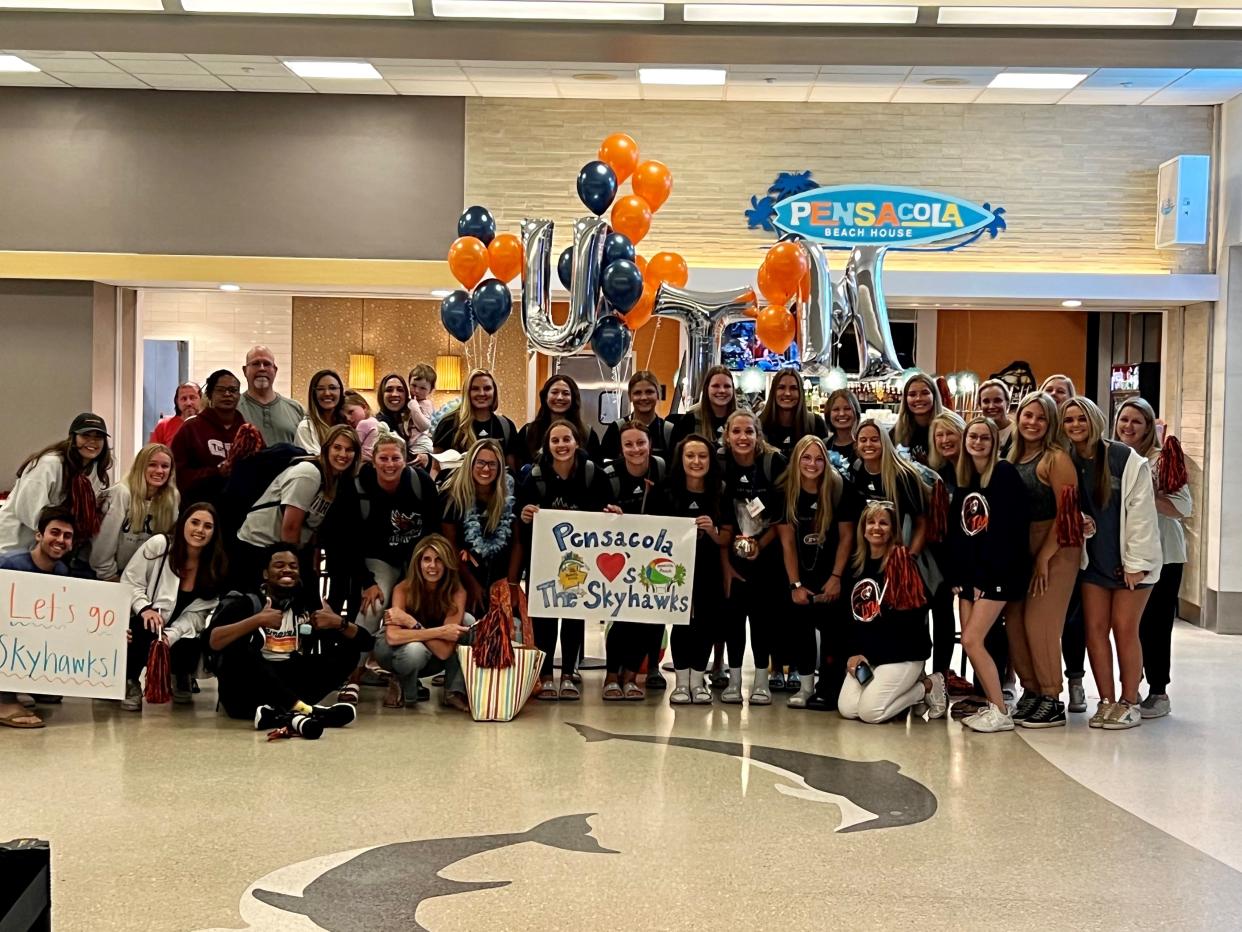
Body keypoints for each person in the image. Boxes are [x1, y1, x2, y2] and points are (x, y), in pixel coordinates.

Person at [1063, 396, 1161, 731]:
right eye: (1069, 420)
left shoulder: (1124, 458)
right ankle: (1105, 701)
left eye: (1081, 419)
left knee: (1124, 629)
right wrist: (1080, 520)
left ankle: (1129, 700)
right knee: (1094, 631)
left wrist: (1137, 562)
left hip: (1132, 564)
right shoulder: (1067, 460)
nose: (1076, 426)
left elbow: (1143, 516)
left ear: (1095, 420)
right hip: (1095, 563)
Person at [205, 545, 371, 738]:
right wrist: (257, 620)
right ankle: (308, 711)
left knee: (348, 650)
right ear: (265, 574)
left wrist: (339, 623)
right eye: (279, 565)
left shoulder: (305, 606)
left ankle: (279, 715)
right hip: (247, 688)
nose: (287, 570)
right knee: (242, 652)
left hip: (287, 679)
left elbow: (366, 643)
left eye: (293, 566)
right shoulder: (247, 603)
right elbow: (213, 641)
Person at [514, 419, 616, 701]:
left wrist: (613, 513)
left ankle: (569, 672)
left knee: (573, 614)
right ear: (547, 445)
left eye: (566, 439)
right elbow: (519, 518)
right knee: (544, 616)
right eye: (555, 440)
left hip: (579, 560)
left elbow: (606, 512)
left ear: (576, 442)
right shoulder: (533, 475)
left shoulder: (592, 473)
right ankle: (546, 673)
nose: (561, 445)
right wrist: (524, 515)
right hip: (542, 558)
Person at [336, 435, 441, 702]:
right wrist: (366, 582)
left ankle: (408, 676)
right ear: (373, 460)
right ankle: (353, 674)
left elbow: (433, 531)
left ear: (406, 460)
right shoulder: (357, 487)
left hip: (415, 558)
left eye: (396, 458)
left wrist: (427, 569)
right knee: (374, 603)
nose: (390, 464)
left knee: (416, 607)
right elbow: (347, 542)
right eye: (384, 458)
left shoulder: (421, 483)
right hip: (376, 558)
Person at [1004, 392, 1082, 729]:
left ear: (1049, 424)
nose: (1032, 422)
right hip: (1021, 547)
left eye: (1040, 417)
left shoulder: (1056, 459)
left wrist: (1045, 557)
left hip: (1056, 547)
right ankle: (1032, 690)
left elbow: (1068, 513)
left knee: (1041, 624)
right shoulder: (1012, 455)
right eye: (1027, 415)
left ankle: (1052, 696)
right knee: (1016, 622)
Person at [950, 416, 1031, 734]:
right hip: (970, 577)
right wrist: (960, 576)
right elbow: (960, 532)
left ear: (994, 442)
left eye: (984, 437)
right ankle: (990, 703)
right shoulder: (965, 477)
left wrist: (986, 578)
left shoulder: (1004, 474)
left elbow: (1009, 533)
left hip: (997, 574)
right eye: (973, 437)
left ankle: (1000, 709)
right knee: (972, 644)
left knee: (971, 638)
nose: (978, 442)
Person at [1114, 398, 1191, 720]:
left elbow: (1183, 508)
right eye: (1124, 420)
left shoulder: (1161, 462)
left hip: (1165, 556)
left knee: (1156, 626)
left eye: (1136, 422)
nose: (1128, 427)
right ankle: (1133, 684)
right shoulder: (1117, 459)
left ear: (1149, 428)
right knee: (1131, 625)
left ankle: (1159, 690)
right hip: (1131, 555)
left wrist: (1145, 494)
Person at [838, 501, 946, 724]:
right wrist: (853, 652)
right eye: (871, 522)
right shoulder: (855, 565)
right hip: (868, 655)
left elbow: (910, 623)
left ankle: (927, 687)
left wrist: (870, 654)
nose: (876, 528)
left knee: (871, 713)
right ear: (863, 528)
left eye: (884, 523)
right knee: (848, 709)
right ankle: (896, 694)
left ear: (893, 530)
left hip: (902, 653)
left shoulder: (902, 565)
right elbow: (849, 619)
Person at [120, 503, 227, 711]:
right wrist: (144, 609)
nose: (199, 530)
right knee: (142, 629)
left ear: (214, 533)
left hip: (179, 628)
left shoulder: (215, 564)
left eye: (207, 526)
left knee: (191, 640)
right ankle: (130, 680)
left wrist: (173, 635)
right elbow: (130, 581)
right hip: (147, 617)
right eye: (194, 522)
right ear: (183, 524)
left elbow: (199, 614)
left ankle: (180, 674)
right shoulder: (160, 545)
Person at [778, 436, 859, 709]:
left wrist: (836, 577)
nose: (812, 464)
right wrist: (794, 584)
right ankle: (805, 687)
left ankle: (829, 687)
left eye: (818, 458)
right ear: (797, 460)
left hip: (832, 573)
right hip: (802, 572)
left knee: (833, 633)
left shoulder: (838, 488)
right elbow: (787, 541)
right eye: (806, 458)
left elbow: (847, 537)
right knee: (801, 629)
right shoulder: (786, 491)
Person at [234, 425, 361, 595]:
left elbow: (312, 524)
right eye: (337, 447)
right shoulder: (309, 473)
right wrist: (295, 569)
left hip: (287, 549)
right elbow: (290, 528)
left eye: (349, 450)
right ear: (326, 449)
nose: (343, 455)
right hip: (258, 548)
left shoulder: (336, 479)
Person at [655, 435, 732, 705]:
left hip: (708, 569)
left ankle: (698, 680)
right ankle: (681, 681)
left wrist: (712, 530)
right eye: (690, 456)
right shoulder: (665, 491)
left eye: (702, 456)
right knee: (681, 622)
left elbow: (727, 538)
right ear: (681, 459)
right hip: (673, 570)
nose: (696, 462)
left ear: (711, 460)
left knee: (705, 624)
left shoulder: (720, 491)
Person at [719, 409, 787, 705]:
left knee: (763, 621)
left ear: (758, 436)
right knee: (733, 620)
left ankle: (761, 680)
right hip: (730, 553)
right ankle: (733, 681)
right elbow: (718, 512)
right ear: (727, 436)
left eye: (749, 432)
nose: (743, 437)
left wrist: (760, 543)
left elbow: (784, 516)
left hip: (768, 554)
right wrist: (726, 559)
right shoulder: (720, 464)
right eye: (736, 432)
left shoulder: (774, 463)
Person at [601, 419, 667, 700]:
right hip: (618, 559)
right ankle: (611, 675)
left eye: (641, 443)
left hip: (653, 556)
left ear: (650, 444)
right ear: (620, 447)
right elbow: (595, 513)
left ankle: (631, 675)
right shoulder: (609, 475)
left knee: (648, 618)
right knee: (620, 617)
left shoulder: (662, 470)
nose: (635, 449)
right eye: (629, 444)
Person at [373, 534, 471, 711]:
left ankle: (453, 691)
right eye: (427, 559)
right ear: (418, 563)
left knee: (468, 622)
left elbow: (444, 652)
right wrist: (440, 632)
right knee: (414, 650)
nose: (432, 566)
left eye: (439, 560)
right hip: (391, 650)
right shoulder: (403, 588)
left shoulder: (457, 592)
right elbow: (393, 637)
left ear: (447, 563)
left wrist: (411, 622)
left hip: (430, 652)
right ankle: (400, 681)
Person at [0, 414, 111, 563]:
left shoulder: (93, 473)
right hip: (15, 546)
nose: (92, 441)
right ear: (73, 438)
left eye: (98, 437)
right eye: (85, 435)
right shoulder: (49, 464)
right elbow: (28, 511)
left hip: (52, 552)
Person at [0, 507, 75, 729]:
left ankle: (32, 685)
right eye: (55, 532)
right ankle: (3, 700)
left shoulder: (62, 572)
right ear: (39, 535)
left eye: (67, 536)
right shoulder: (9, 565)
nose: (60, 540)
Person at [440, 439, 518, 616]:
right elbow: (450, 546)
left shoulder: (510, 491)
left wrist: (512, 584)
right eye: (480, 463)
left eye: (492, 464)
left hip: (500, 570)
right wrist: (471, 585)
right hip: (462, 572)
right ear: (470, 464)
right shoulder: (452, 495)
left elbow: (518, 542)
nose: (486, 469)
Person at [91, 443, 179, 582]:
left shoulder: (172, 498)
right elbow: (104, 542)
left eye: (165, 466)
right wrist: (109, 575)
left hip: (140, 578)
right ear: (140, 467)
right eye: (152, 465)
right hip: (107, 574)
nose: (159, 471)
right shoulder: (122, 493)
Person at [850, 419, 927, 555]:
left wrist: (910, 559)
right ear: (856, 444)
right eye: (863, 440)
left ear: (884, 442)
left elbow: (921, 522)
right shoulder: (857, 469)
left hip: (898, 550)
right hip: (867, 551)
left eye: (874, 439)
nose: (868, 444)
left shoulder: (903, 475)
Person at [171, 369, 248, 506]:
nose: (227, 394)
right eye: (220, 390)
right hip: (198, 511)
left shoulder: (247, 432)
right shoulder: (191, 428)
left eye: (233, 390)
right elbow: (178, 475)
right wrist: (216, 472)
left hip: (240, 514)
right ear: (209, 394)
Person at [926, 411, 966, 676]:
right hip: (938, 557)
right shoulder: (934, 475)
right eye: (939, 435)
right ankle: (938, 676)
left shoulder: (974, 472)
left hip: (968, 559)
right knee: (940, 614)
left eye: (950, 433)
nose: (944, 439)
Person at [432, 369, 517, 468]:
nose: (482, 393)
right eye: (475, 389)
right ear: (467, 392)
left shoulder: (505, 426)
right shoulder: (448, 423)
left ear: (494, 392)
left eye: (487, 388)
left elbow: (512, 470)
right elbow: (435, 468)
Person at [517, 374, 601, 467]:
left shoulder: (588, 434)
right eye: (554, 392)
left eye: (565, 393)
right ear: (545, 397)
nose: (560, 397)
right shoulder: (528, 431)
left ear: (573, 398)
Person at [600, 370, 675, 464]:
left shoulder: (669, 431)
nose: (643, 397)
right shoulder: (616, 429)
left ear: (658, 395)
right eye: (637, 393)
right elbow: (605, 466)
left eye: (649, 392)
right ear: (630, 396)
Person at [236, 345, 305, 446]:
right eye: (256, 364)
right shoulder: (232, 408)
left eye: (267, 364)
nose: (262, 368)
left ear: (275, 370)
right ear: (245, 370)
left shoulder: (297, 409)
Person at [759, 366, 829, 460]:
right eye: (781, 387)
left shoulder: (816, 424)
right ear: (773, 392)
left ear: (800, 392)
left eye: (793, 388)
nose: (787, 393)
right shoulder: (759, 424)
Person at [671, 365, 736, 450]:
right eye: (716, 386)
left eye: (727, 386)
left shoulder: (743, 421)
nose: (722, 390)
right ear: (707, 388)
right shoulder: (688, 421)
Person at [892, 372, 943, 465]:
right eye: (912, 394)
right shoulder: (895, 432)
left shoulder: (947, 429)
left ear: (934, 396)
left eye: (925, 393)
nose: (918, 398)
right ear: (905, 399)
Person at [294, 369, 347, 456]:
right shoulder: (306, 428)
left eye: (332, 388)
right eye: (320, 389)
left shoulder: (347, 424)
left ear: (341, 391)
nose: (327, 393)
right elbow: (316, 463)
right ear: (314, 394)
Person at [150, 382, 202, 446]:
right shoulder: (164, 425)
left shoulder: (209, 425)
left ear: (201, 399)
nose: (188, 403)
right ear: (177, 401)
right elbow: (151, 453)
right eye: (183, 398)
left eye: (192, 397)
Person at [406, 364, 437, 467]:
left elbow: (424, 426)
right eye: (414, 385)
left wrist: (415, 407)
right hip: (410, 446)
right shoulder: (408, 402)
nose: (417, 390)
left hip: (421, 446)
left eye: (423, 388)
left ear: (431, 390)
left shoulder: (426, 404)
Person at [977, 379, 1015, 458]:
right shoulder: (975, 433)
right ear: (980, 405)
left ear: (1007, 403)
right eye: (986, 401)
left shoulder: (1018, 433)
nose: (991, 406)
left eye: (997, 400)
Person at [342, 392, 382, 463]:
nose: (348, 418)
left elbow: (352, 447)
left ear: (364, 407)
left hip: (363, 462)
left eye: (351, 412)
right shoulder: (374, 421)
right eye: (344, 417)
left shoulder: (363, 424)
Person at [824, 388, 862, 461]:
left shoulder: (865, 446)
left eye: (847, 408)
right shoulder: (824, 446)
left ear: (856, 412)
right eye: (836, 409)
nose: (842, 414)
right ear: (828, 414)